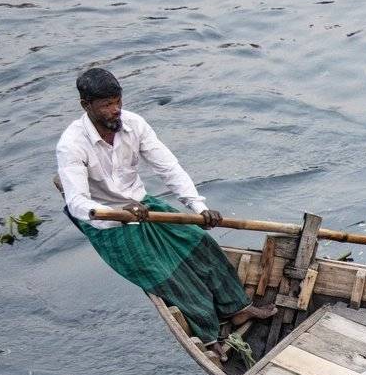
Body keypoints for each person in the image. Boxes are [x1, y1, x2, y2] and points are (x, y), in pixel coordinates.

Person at [56, 68, 273, 346]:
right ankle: (209, 337)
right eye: (107, 105)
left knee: (200, 243)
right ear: (86, 106)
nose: (116, 110)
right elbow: (77, 203)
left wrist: (198, 207)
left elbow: (169, 168)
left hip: (143, 205)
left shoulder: (134, 124)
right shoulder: (71, 145)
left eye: (118, 101)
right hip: (106, 221)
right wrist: (115, 214)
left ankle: (237, 309)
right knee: (166, 274)